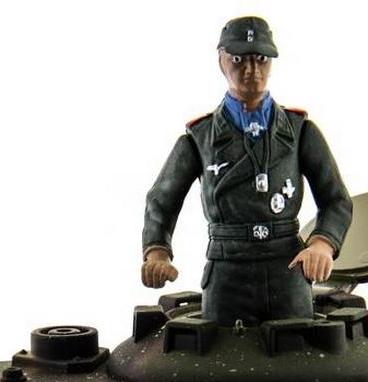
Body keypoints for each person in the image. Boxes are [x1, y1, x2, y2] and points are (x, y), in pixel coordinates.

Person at [141, 16, 352, 326]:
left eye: (261, 59)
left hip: (287, 265)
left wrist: (322, 243)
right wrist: (157, 253)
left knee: (297, 347)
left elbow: (336, 199)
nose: (252, 70)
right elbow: (162, 199)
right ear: (221, 61)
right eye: (239, 59)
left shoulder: (299, 131)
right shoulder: (200, 137)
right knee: (219, 350)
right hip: (228, 269)